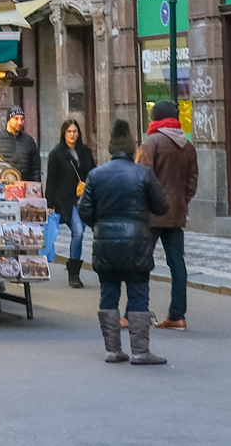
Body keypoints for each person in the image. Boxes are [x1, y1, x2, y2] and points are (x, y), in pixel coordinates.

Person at [79, 119, 169, 365]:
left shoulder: (95, 175)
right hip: (137, 244)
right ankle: (140, 351)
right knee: (139, 291)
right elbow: (162, 207)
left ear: (110, 149)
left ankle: (112, 350)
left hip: (105, 245)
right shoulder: (143, 174)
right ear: (132, 149)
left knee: (109, 291)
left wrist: (101, 226)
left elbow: (84, 211)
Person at [136, 101, 197, 330]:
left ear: (156, 119)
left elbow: (142, 177)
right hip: (176, 213)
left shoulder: (152, 142)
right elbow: (192, 182)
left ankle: (135, 312)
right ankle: (177, 315)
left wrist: (148, 205)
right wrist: (180, 202)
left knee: (140, 263)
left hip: (152, 215)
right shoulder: (187, 146)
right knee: (177, 263)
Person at [43, 119, 96, 287]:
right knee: (78, 231)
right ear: (63, 134)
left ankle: (74, 269)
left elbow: (94, 173)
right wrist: (49, 205)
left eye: (75, 131)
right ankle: (74, 273)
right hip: (66, 200)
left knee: (78, 234)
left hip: (84, 199)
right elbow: (51, 181)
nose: (72, 135)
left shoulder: (85, 152)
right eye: (69, 132)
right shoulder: (56, 154)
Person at [0, 107, 40, 182]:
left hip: (24, 185)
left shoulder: (29, 141)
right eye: (16, 119)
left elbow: (35, 168)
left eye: (22, 119)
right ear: (8, 120)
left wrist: (35, 187)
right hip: (1, 187)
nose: (20, 122)